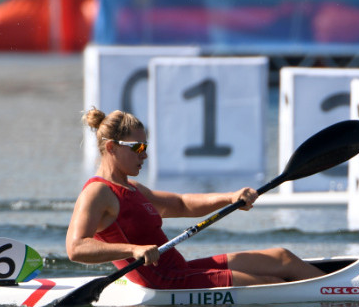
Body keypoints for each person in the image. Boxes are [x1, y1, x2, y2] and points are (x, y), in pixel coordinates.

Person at [66, 107, 325, 289]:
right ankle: (341, 295)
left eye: (146, 147)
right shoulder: (98, 192)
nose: (144, 155)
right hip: (166, 283)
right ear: (111, 147)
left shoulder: (133, 188)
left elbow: (182, 204)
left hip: (181, 270)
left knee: (283, 257)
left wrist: (231, 196)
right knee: (272, 286)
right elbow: (76, 248)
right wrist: (133, 250)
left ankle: (342, 286)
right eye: (138, 148)